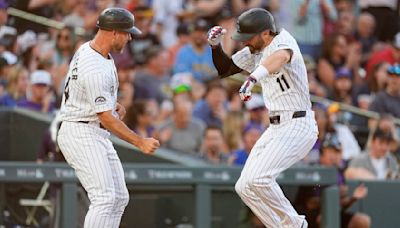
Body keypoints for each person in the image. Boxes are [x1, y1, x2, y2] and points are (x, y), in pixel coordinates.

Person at [208, 8, 318, 227]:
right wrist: (215, 47)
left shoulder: (283, 41)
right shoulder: (256, 48)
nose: (245, 42)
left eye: (248, 37)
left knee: (259, 179)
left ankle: (296, 224)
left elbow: (279, 58)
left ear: (266, 32)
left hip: (298, 123)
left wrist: (253, 78)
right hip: (277, 127)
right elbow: (226, 69)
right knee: (244, 186)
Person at [56, 8, 160, 228]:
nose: (129, 37)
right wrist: (140, 141)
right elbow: (106, 118)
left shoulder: (91, 50)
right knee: (104, 198)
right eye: (126, 32)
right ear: (113, 32)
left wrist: (111, 105)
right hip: (81, 131)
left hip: (91, 128)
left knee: (119, 197)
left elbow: (87, 94)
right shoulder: (94, 66)